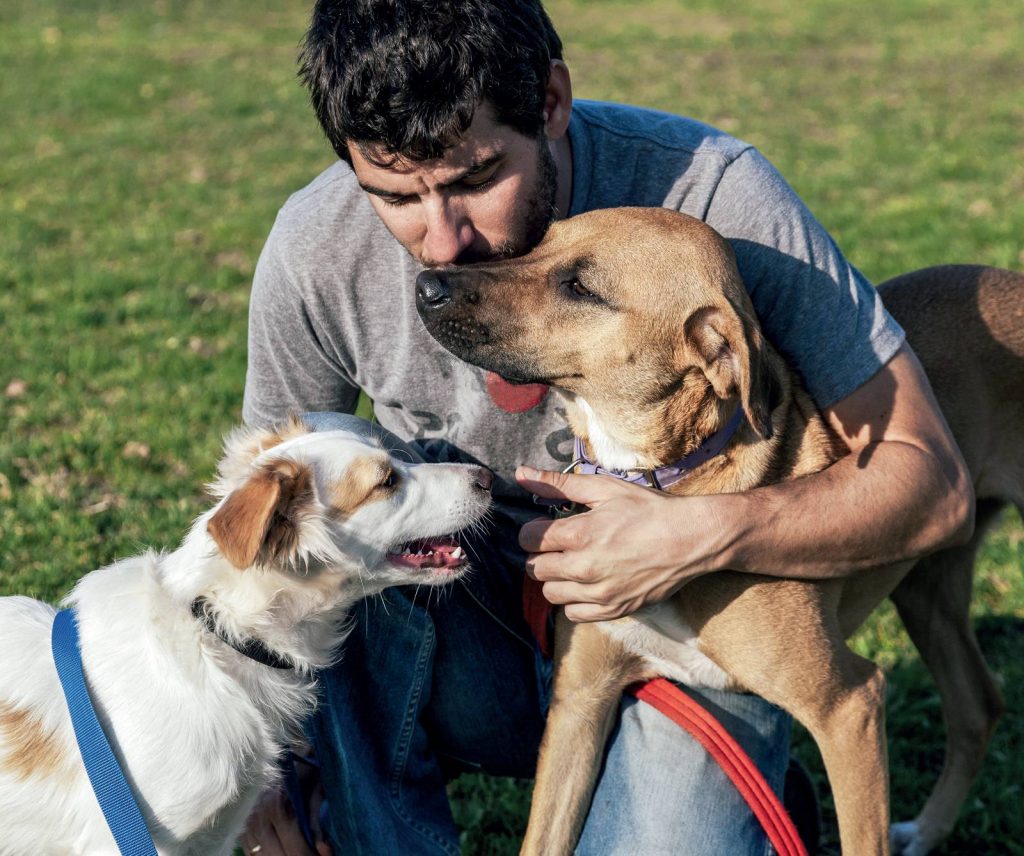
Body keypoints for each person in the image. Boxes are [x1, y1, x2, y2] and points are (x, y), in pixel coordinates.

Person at [240, 1, 974, 853]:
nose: (441, 244)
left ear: (552, 100)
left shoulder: (715, 199)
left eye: (477, 179)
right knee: (341, 546)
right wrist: (264, 765)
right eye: (394, 195)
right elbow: (266, 524)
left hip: (705, 611)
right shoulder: (315, 246)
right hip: (478, 614)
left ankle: (736, 789)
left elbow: (932, 484)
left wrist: (695, 535)